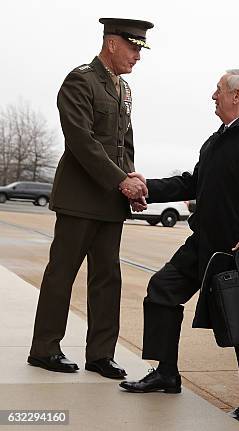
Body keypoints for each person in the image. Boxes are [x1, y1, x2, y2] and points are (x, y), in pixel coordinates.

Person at [119, 69, 239, 426]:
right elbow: (193, 183)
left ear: (237, 95)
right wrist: (148, 187)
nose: (214, 95)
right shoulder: (215, 141)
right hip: (202, 245)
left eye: (219, 90)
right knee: (162, 290)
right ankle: (166, 373)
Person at [27, 18, 152, 379]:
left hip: (111, 200)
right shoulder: (80, 80)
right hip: (80, 198)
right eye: (133, 47)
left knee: (107, 278)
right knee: (61, 274)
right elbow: (81, 140)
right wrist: (119, 181)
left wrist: (131, 183)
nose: (137, 56)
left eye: (140, 49)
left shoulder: (123, 89)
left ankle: (100, 354)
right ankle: (45, 349)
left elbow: (122, 143)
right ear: (112, 44)